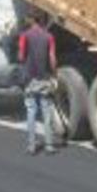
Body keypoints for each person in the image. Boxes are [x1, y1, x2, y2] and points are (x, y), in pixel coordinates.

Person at [19, 13, 58, 155]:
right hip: (44, 78)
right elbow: (52, 58)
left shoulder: (25, 36)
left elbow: (21, 56)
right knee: (46, 111)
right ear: (41, 21)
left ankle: (32, 146)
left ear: (31, 20)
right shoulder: (49, 37)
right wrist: (54, 74)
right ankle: (49, 145)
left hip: (30, 79)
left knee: (31, 111)